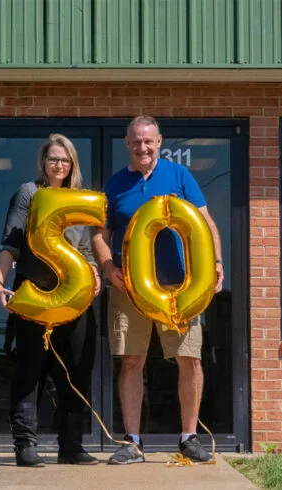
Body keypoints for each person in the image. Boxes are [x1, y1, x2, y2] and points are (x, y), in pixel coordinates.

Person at [92, 115, 224, 465]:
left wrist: (216, 264)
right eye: (136, 141)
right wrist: (108, 268)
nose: (142, 147)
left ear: (160, 141)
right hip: (130, 289)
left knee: (189, 360)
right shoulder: (115, 184)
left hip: (181, 288)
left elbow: (205, 223)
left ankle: (189, 437)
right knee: (132, 361)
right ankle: (132, 442)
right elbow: (99, 235)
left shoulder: (180, 176)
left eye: (148, 141)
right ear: (127, 144)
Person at [0, 134, 102, 467]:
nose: (59, 165)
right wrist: (0, 281)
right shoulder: (30, 192)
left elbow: (85, 249)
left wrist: (95, 272)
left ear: (73, 165)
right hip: (36, 291)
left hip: (75, 296)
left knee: (76, 370)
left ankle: (71, 446)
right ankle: (25, 446)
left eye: (65, 160)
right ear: (44, 162)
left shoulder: (79, 200)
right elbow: (11, 241)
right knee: (31, 368)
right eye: (54, 159)